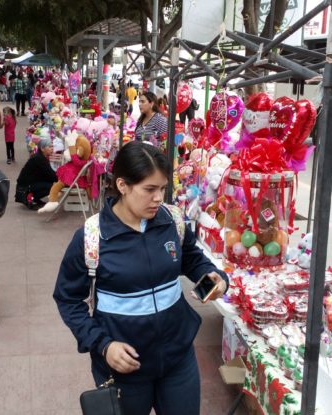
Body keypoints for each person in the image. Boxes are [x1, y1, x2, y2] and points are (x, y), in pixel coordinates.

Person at [53, 141, 228, 414]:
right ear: (122, 186)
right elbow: (67, 299)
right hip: (124, 369)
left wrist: (214, 277)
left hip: (178, 359)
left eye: (162, 189)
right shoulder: (91, 237)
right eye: (149, 189)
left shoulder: (172, 221)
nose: (158, 198)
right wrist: (103, 345)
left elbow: (192, 259)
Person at [16, 138, 57, 208]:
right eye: (49, 147)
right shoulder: (39, 158)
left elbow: (48, 174)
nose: (52, 148)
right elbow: (51, 175)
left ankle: (35, 198)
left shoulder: (40, 156)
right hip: (25, 188)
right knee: (53, 186)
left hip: (28, 184)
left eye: (52, 146)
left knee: (51, 183)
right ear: (42, 148)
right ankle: (31, 198)